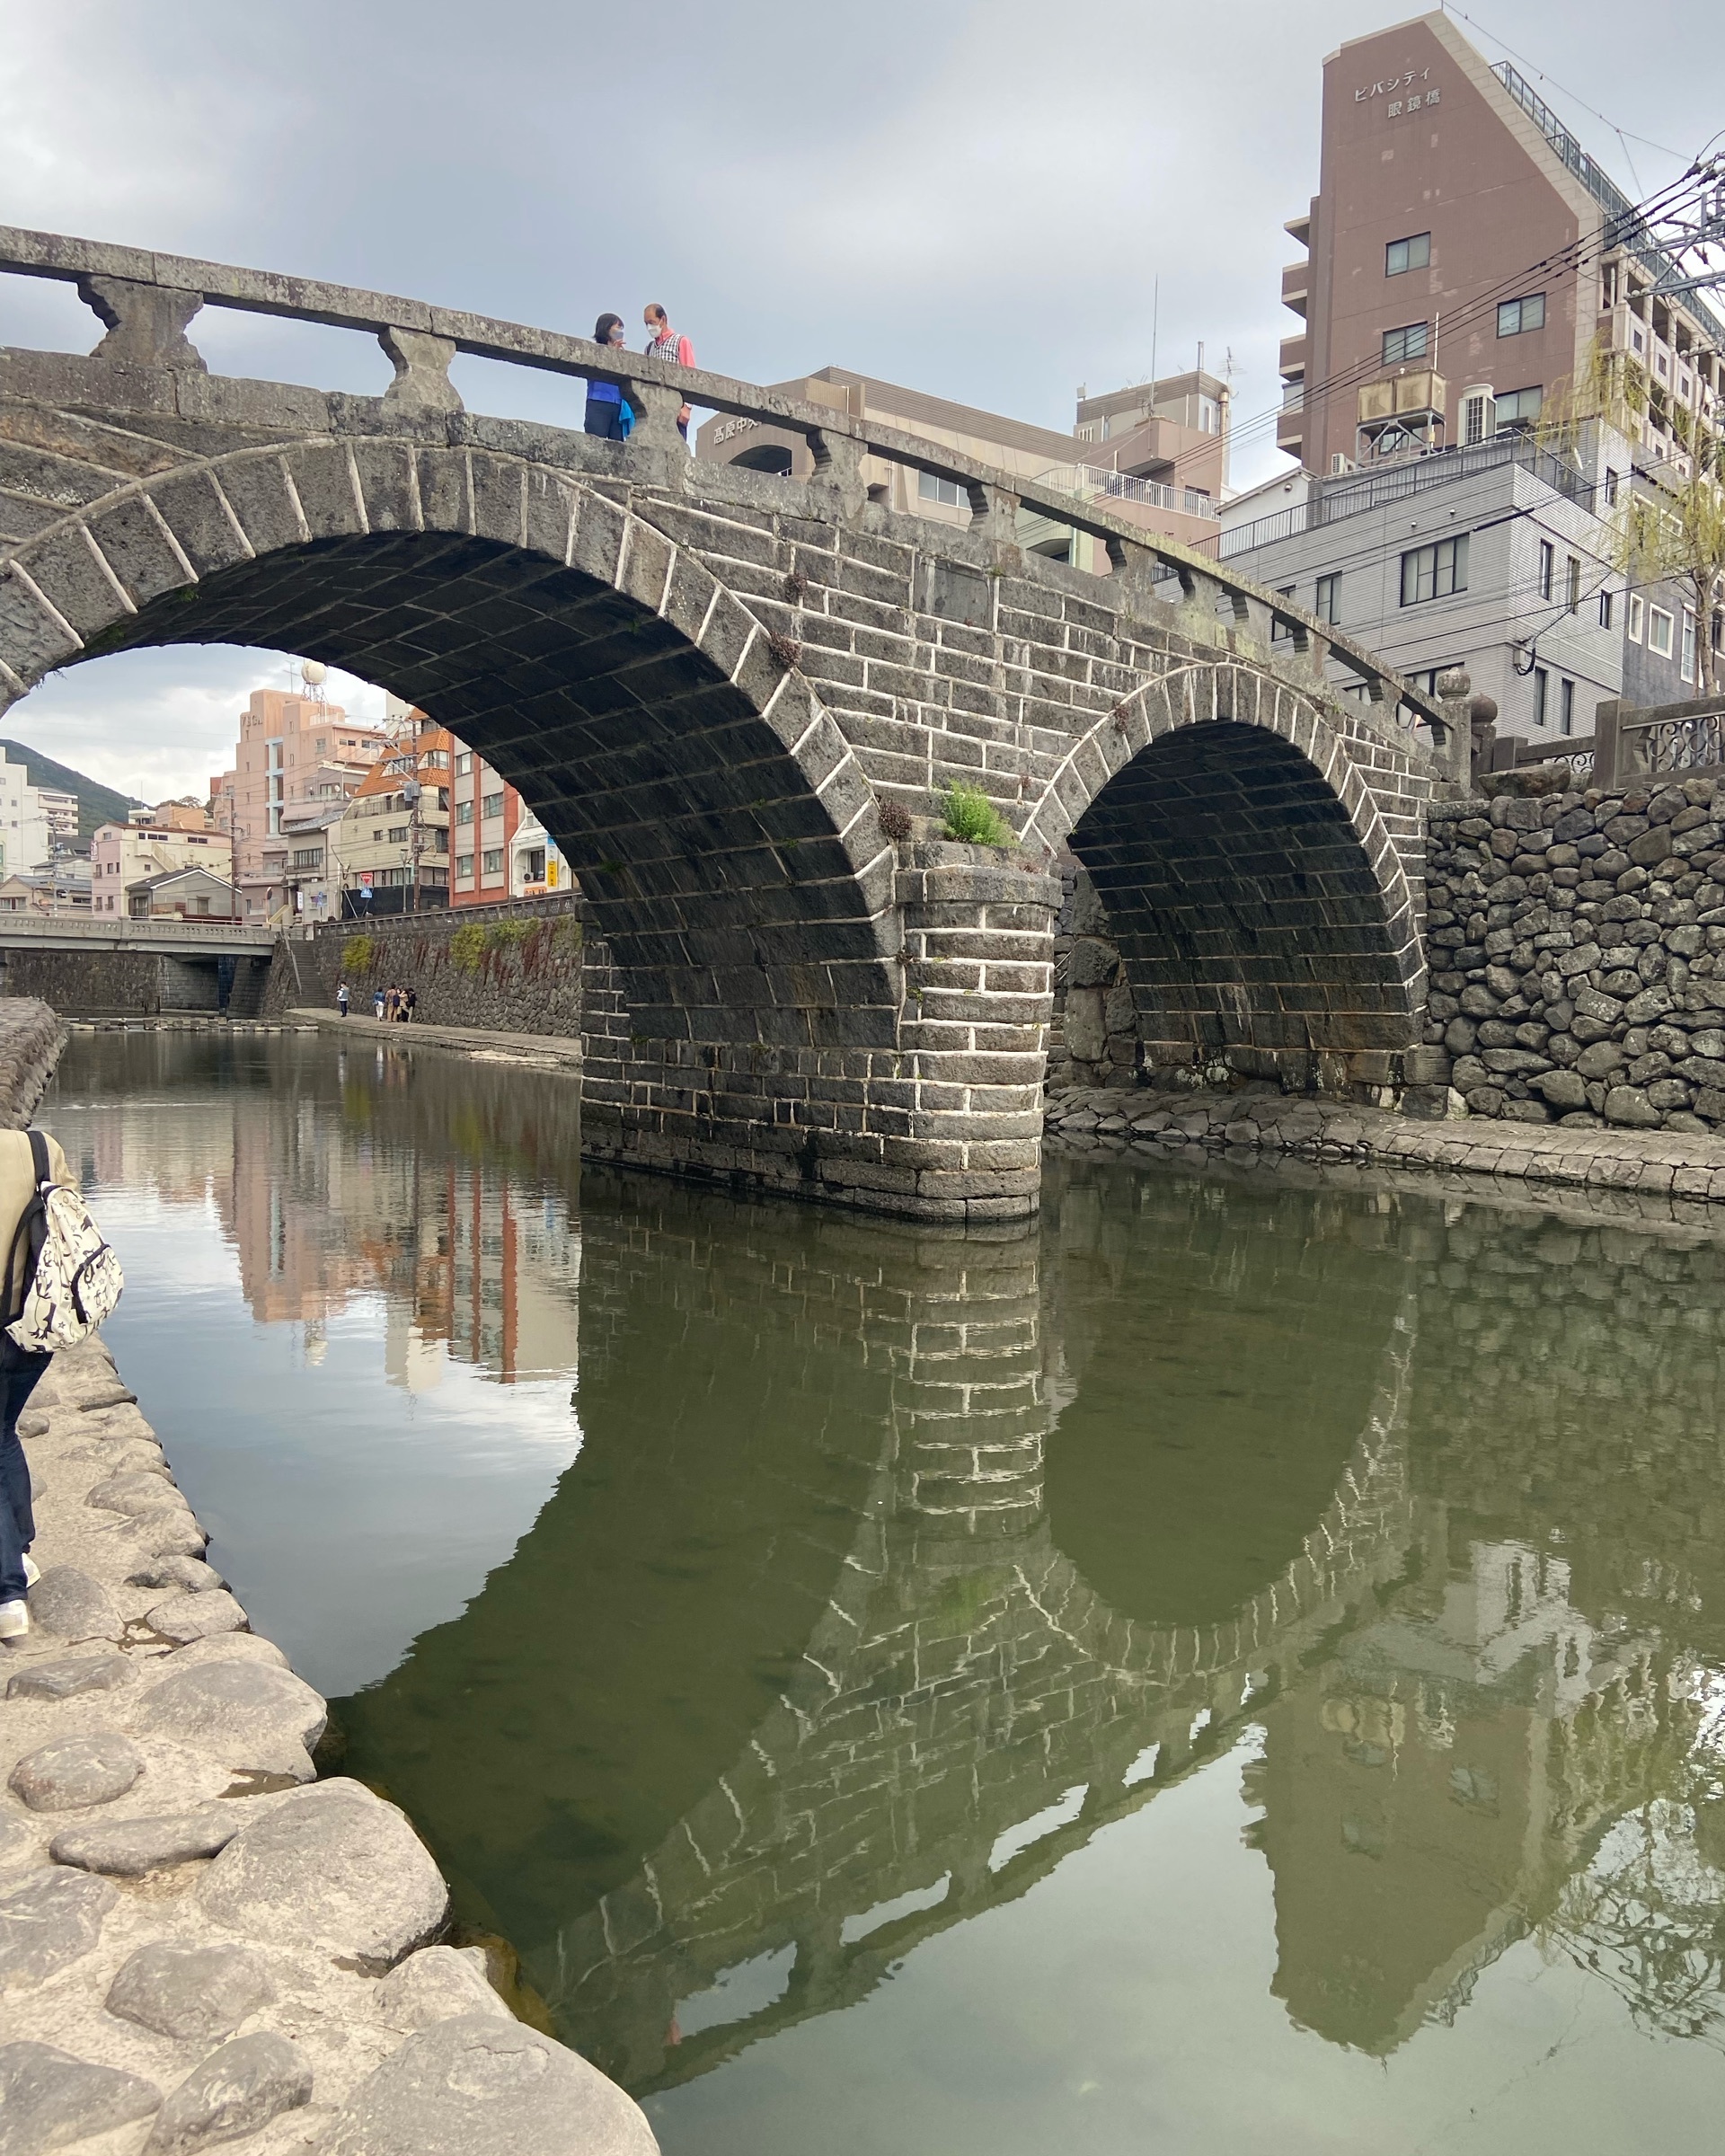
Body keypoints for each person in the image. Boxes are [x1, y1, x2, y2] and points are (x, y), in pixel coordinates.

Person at [0, 1126, 77, 1639]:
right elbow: (72, 1227)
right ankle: (20, 1549)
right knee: (3, 1432)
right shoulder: (38, 1148)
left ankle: (7, 1593)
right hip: (33, 1326)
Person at [642, 305, 694, 440]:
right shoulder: (649, 348)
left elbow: (690, 376)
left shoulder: (680, 341)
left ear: (663, 319)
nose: (649, 327)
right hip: (654, 410)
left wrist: (686, 408)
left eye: (652, 323)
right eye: (646, 323)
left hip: (675, 409)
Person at [585, 314, 633, 442]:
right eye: (617, 327)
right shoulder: (594, 351)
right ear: (606, 328)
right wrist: (611, 353)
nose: (620, 332)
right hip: (598, 402)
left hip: (619, 405)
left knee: (618, 449)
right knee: (595, 444)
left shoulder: (623, 354)